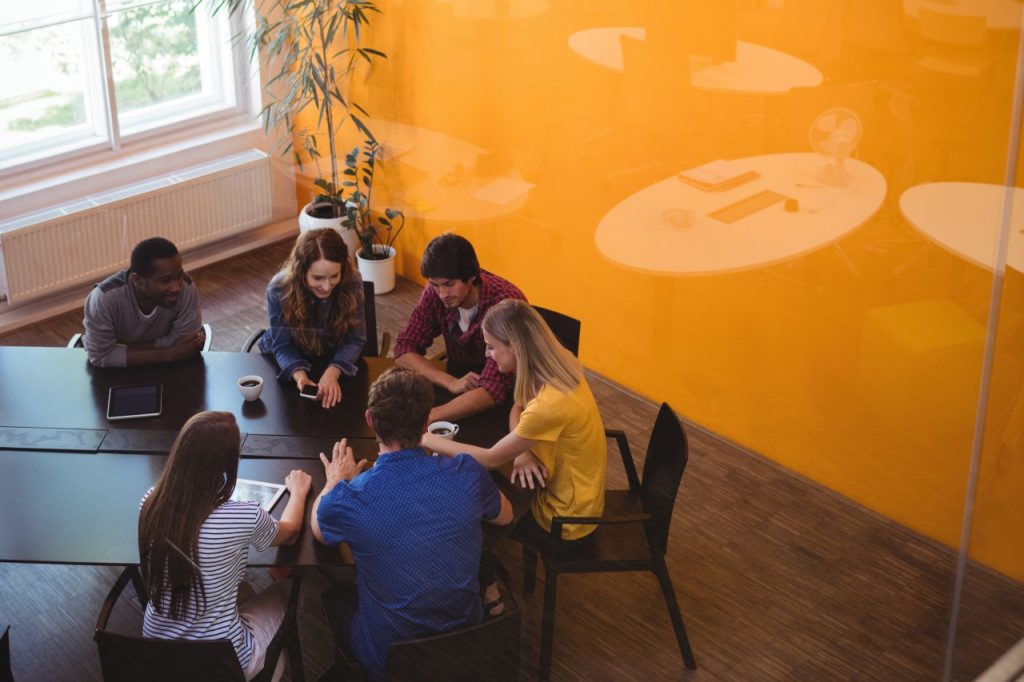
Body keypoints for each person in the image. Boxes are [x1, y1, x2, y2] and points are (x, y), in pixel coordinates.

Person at [312, 367, 513, 682]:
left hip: (390, 661)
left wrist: (335, 480)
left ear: (370, 420)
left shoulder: (349, 499)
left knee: (335, 596)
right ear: (425, 423)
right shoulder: (468, 473)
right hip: (466, 644)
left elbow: (319, 530)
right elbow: (505, 515)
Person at [138, 411, 311, 681]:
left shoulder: (150, 502)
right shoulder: (243, 515)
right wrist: (298, 491)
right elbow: (289, 533)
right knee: (287, 589)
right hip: (222, 664)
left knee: (243, 590)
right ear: (227, 464)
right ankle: (273, 667)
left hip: (158, 653)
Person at [422, 298, 607, 544]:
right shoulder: (555, 362)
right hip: (577, 487)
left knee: (471, 519)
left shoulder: (550, 404)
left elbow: (491, 458)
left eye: (491, 347)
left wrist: (423, 437)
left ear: (516, 347)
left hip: (566, 514)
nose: (487, 355)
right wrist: (522, 453)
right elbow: (518, 405)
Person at [393, 232, 526, 422]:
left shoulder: (505, 303)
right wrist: (449, 382)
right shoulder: (436, 292)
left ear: (471, 276)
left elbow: (494, 389)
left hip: (510, 403)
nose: (442, 294)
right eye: (435, 285)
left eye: (449, 284)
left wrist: (429, 418)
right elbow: (404, 349)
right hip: (459, 387)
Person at [260, 228, 366, 408]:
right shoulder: (279, 288)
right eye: (317, 278)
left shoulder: (352, 279)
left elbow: (356, 340)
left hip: (336, 358)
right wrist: (299, 376)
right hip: (292, 360)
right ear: (301, 272)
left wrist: (333, 372)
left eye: (334, 276)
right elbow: (282, 345)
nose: (326, 287)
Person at [83, 237, 204, 367]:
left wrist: (121, 348)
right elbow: (100, 356)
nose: (176, 287)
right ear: (138, 280)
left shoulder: (187, 288)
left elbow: (187, 343)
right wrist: (170, 354)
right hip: (114, 374)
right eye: (165, 280)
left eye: (179, 276)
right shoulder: (104, 298)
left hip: (170, 370)